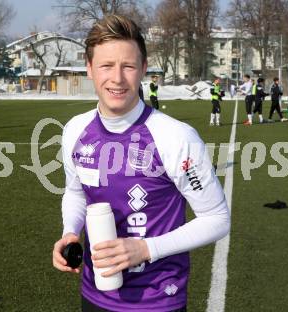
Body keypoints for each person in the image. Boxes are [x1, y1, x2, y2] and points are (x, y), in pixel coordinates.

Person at [52, 15, 230, 312]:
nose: (118, 78)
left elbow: (217, 218)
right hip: (94, 295)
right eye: (106, 66)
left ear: (144, 69)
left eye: (129, 66)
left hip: (157, 300)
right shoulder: (75, 130)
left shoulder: (176, 137)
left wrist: (147, 248)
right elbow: (76, 192)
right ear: (89, 68)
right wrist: (70, 231)